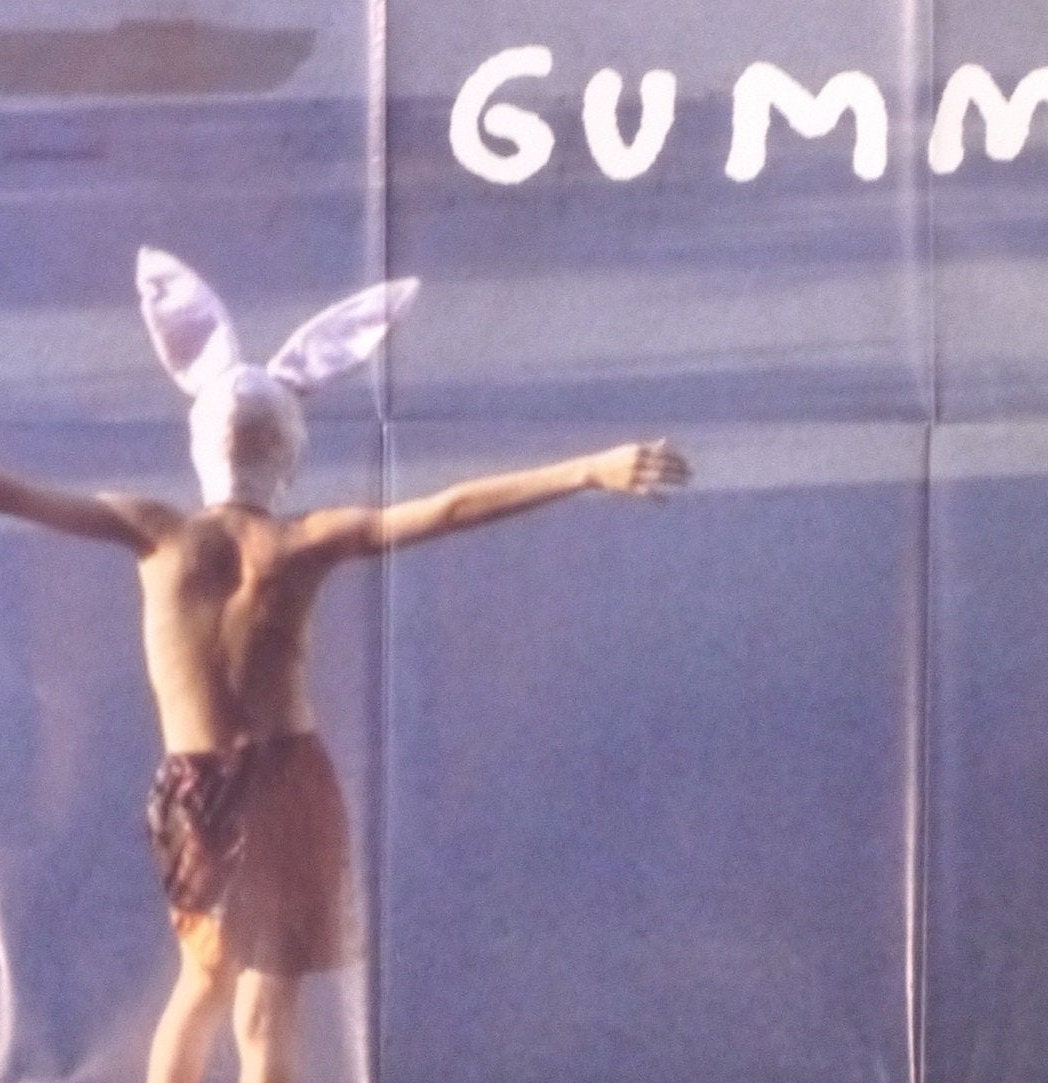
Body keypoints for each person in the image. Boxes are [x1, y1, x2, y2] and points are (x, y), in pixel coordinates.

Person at [0, 248, 689, 1083]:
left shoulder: (157, 532)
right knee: (260, 1001)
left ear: (201, 443)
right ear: (287, 454)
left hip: (212, 780)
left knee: (205, 982)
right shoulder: (299, 542)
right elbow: (448, 506)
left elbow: (19, 492)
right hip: (282, 781)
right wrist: (584, 469)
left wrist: (585, 470)